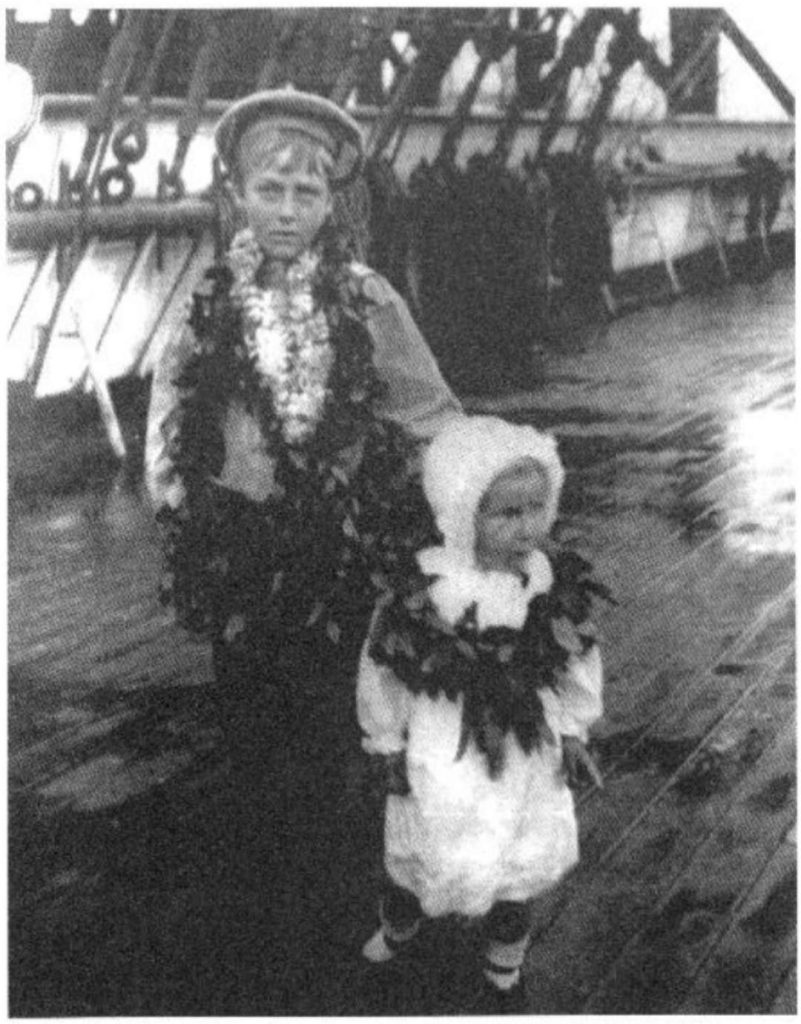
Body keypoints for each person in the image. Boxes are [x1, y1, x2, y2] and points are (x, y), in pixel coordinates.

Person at [144, 89, 462, 763]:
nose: (286, 212)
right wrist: (175, 494)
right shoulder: (215, 298)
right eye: (269, 189)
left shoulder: (365, 295)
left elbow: (428, 411)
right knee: (248, 714)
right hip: (239, 545)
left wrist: (463, 506)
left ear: (330, 202)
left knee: (330, 715)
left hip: (335, 546)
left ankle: (325, 855)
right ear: (238, 194)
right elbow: (172, 402)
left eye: (305, 193)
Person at [356, 415, 606, 1012]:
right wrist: (385, 738)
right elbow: (385, 662)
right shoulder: (431, 588)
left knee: (516, 859)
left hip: (524, 744)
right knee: (429, 846)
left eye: (537, 509)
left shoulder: (546, 580)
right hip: (447, 741)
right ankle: (400, 924)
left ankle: (504, 964)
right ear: (464, 513)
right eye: (506, 514)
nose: (527, 528)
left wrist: (572, 727)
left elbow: (576, 657)